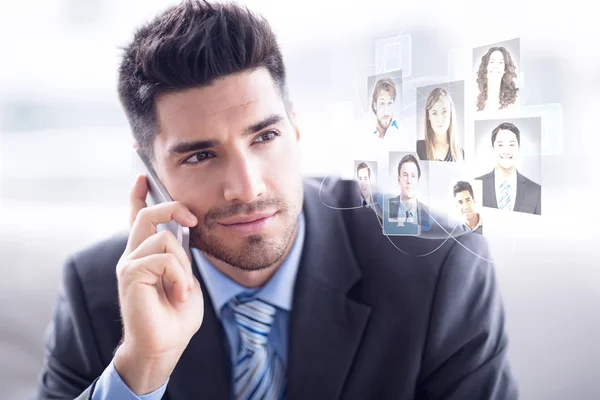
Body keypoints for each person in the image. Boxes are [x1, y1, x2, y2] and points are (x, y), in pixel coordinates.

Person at [33, 2, 518, 399]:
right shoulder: (98, 291)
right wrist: (142, 367)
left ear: (295, 127)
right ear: (151, 173)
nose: (247, 187)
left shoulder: (439, 267)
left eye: (263, 136)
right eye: (201, 155)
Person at [476, 122, 541, 215]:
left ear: (518, 148)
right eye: (500, 145)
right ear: (492, 148)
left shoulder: (535, 190)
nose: (506, 151)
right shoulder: (476, 185)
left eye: (511, 145)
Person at [386, 154, 431, 235]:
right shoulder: (386, 208)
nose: (409, 181)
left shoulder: (428, 213)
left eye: (413, 176)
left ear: (418, 181)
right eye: (405, 175)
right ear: (399, 180)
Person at [416, 88, 464, 161]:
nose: (440, 119)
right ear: (428, 116)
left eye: (444, 111)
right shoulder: (417, 149)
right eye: (434, 113)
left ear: (450, 113)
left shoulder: (460, 154)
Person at [475, 46, 519, 112]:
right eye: (492, 62)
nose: (495, 66)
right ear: (485, 67)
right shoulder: (474, 100)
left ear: (505, 69)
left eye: (500, 62)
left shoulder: (515, 99)